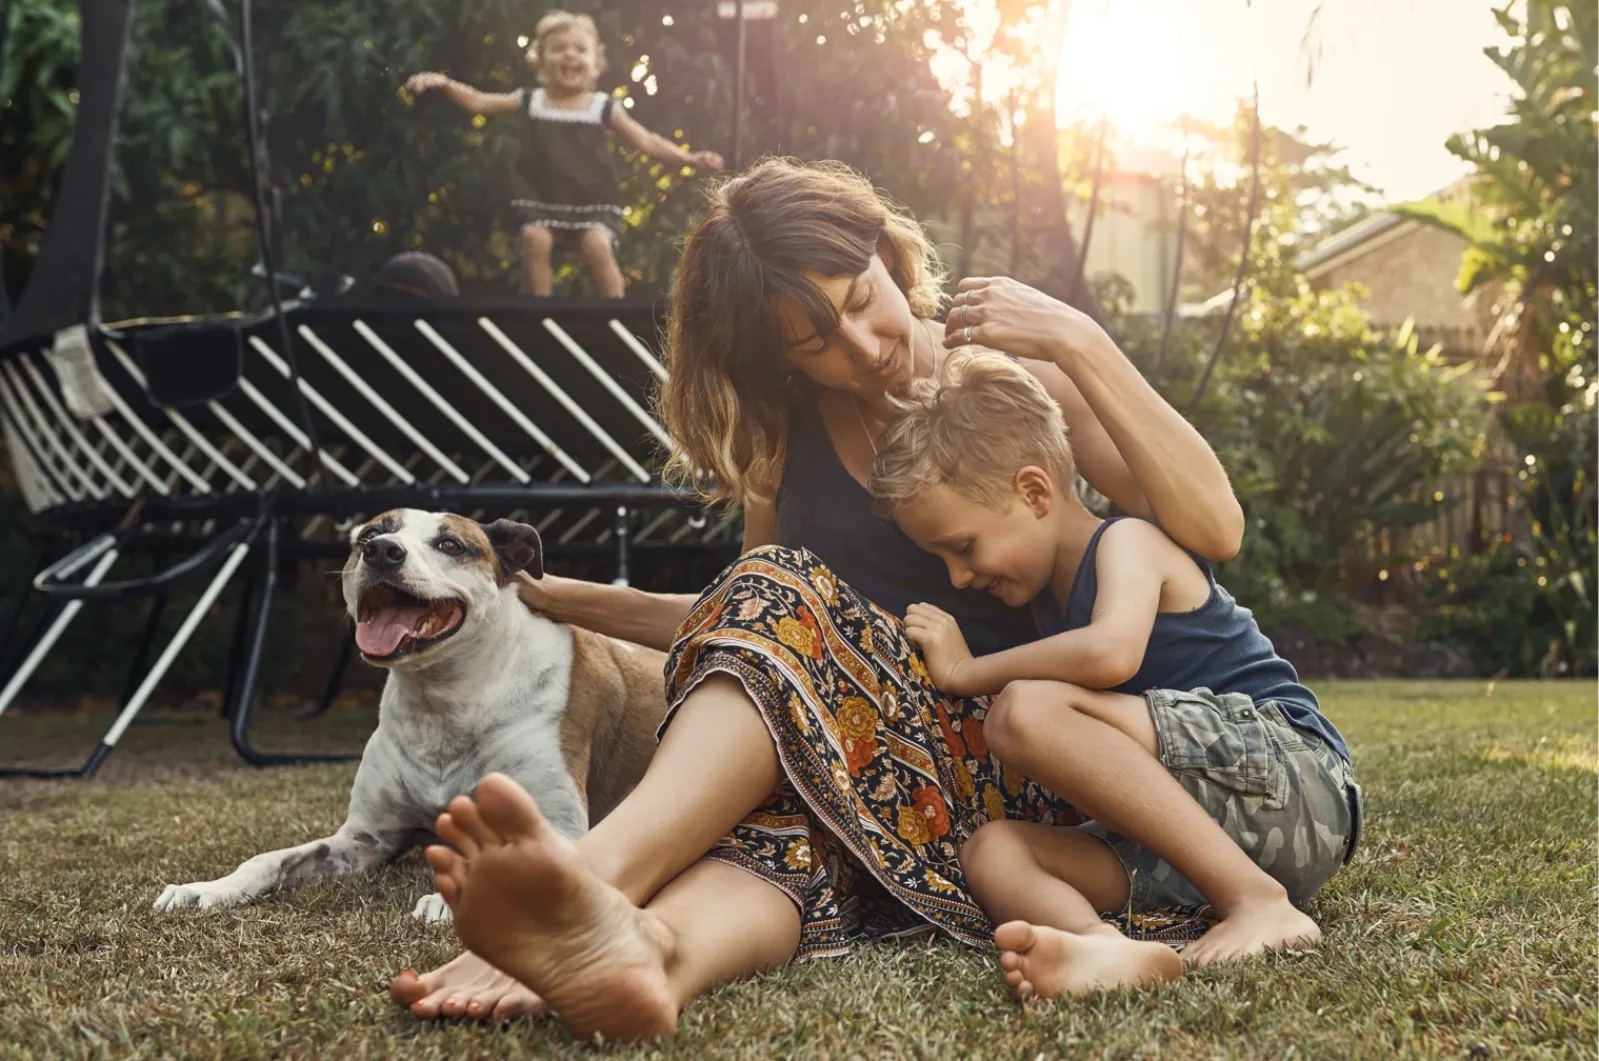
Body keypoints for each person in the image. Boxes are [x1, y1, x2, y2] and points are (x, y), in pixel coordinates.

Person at [390, 157, 1249, 1040]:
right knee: (786, 797)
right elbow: (745, 637)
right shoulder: (786, 437)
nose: (864, 347)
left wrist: (1082, 341)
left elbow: (1214, 527)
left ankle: (591, 877)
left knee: (777, 610)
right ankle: (652, 952)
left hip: (1023, 752)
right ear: (776, 356)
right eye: (816, 344)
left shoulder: (1008, 379)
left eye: (861, 298)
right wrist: (573, 601)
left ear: (888, 253)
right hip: (875, 766)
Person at [865, 350, 1361, 998]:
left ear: (1034, 491)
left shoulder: (1127, 541)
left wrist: (964, 671)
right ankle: (1102, 947)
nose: (958, 576)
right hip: (1208, 830)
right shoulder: (1045, 607)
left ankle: (1256, 901)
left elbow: (1111, 653)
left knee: (1024, 712)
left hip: (1295, 776)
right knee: (991, 850)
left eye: (963, 547)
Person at [404, 11, 723, 298]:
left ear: (595, 63)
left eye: (580, 49)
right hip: (544, 195)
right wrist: (444, 83)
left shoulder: (602, 106)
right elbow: (480, 102)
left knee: (596, 245)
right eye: (559, 49)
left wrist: (689, 159)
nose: (570, 54)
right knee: (535, 238)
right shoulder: (532, 100)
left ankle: (616, 313)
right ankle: (543, 314)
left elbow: (646, 140)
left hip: (591, 196)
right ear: (541, 62)